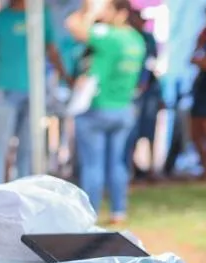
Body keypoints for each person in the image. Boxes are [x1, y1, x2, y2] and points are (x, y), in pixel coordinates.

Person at [67, 0, 145, 225]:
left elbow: (72, 25)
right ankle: (118, 210)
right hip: (123, 108)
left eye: (107, 9)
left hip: (98, 107)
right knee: (117, 162)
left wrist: (87, 10)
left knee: (93, 164)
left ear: (121, 13)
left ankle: (89, 213)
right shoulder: (136, 39)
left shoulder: (110, 36)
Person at [0, 0, 71, 185]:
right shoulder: (0, 20)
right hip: (5, 89)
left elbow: (52, 50)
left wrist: (65, 77)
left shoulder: (41, 15)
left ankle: (24, 188)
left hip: (35, 91)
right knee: (2, 143)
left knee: (28, 145)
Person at [125, 9, 161, 180]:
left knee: (149, 128)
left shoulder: (147, 38)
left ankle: (152, 167)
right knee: (132, 131)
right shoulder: (128, 38)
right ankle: (131, 168)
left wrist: (144, 82)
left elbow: (151, 62)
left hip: (148, 90)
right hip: (131, 90)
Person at [190, 4, 206, 182]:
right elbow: (194, 57)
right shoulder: (205, 33)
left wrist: (202, 62)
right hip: (203, 86)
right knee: (196, 130)